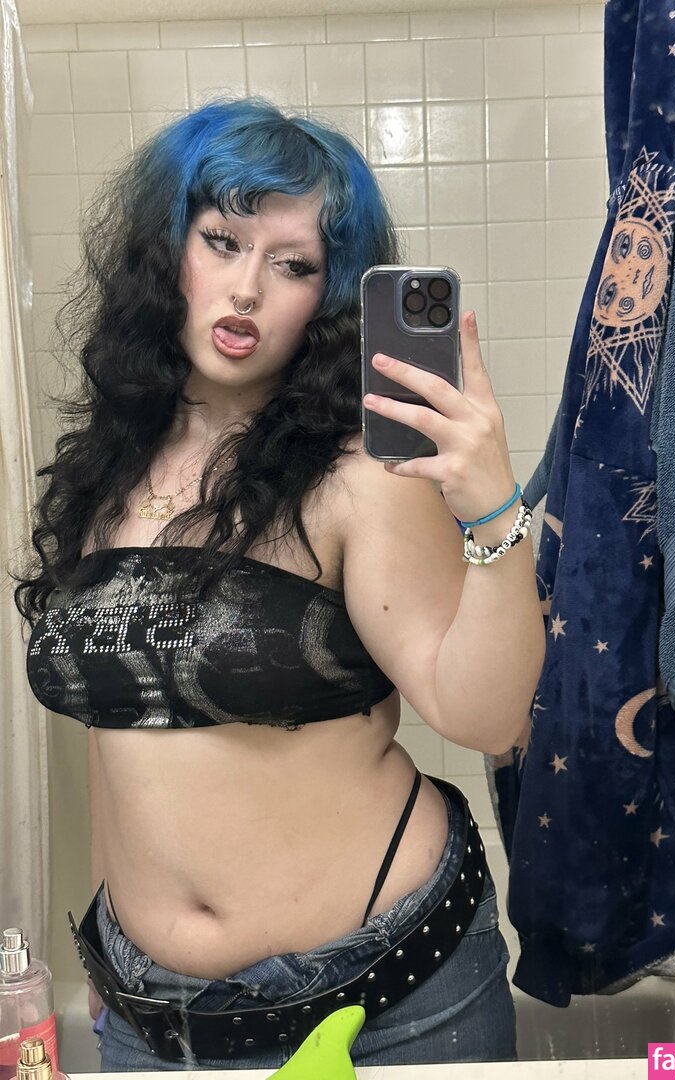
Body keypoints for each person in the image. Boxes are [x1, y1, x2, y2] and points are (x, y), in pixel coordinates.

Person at [14, 97, 544, 1070]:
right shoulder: (108, 467)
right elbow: (115, 726)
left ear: (329, 300)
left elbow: (490, 717)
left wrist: (492, 511)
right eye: (222, 242)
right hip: (149, 1015)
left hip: (385, 1000)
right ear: (164, 252)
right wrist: (111, 944)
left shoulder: (360, 476)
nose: (248, 288)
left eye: (294, 264)